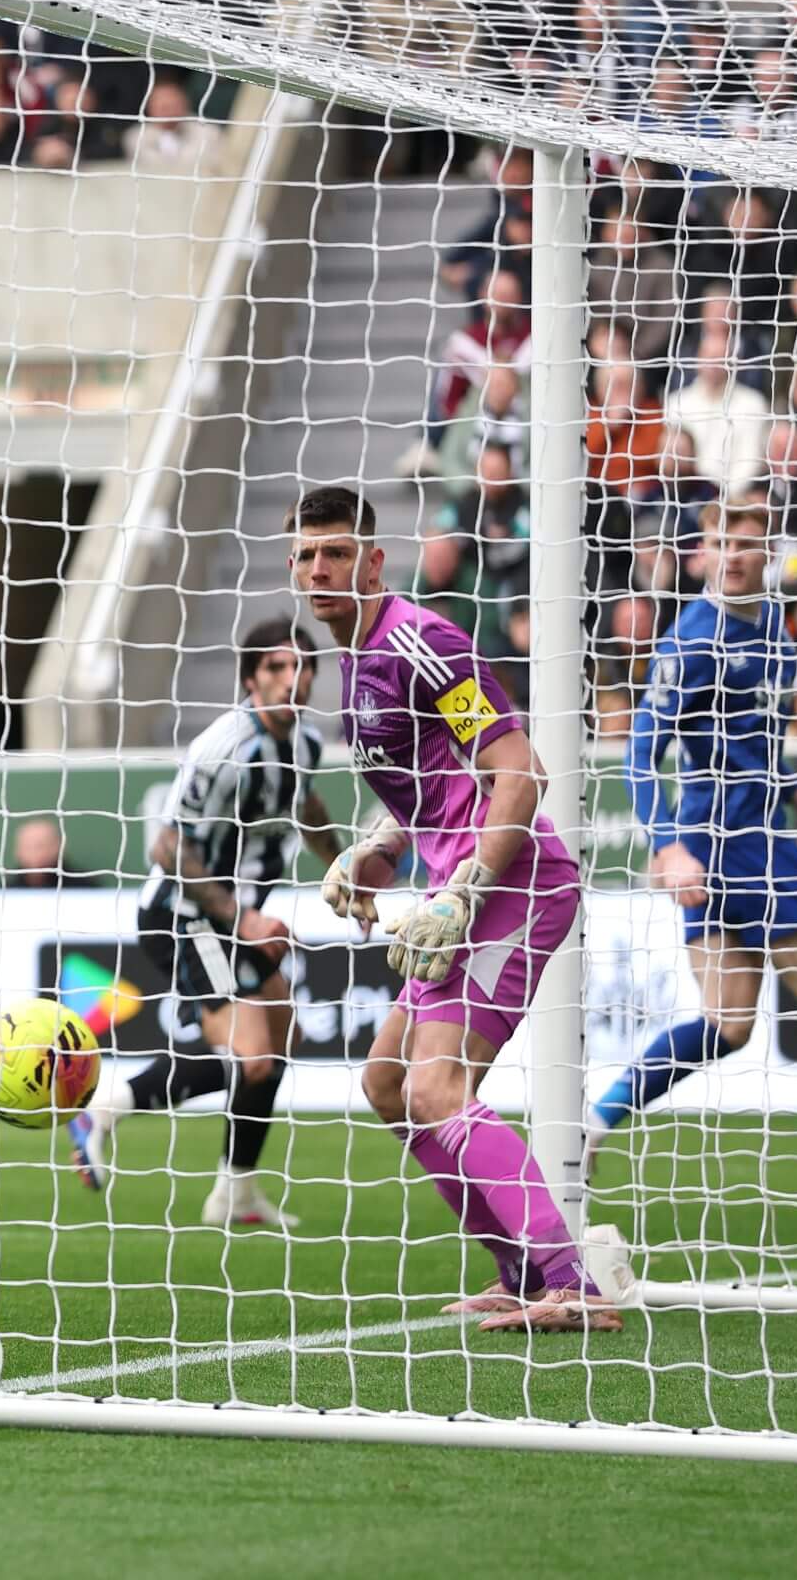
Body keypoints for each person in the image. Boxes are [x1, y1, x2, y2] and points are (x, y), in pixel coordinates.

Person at [292, 483, 615, 1333]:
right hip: (458, 894)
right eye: (303, 555)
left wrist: (467, 886)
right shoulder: (358, 661)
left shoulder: (419, 641)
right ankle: (518, 1270)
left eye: (334, 553)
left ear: (372, 560)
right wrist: (376, 851)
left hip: (511, 887)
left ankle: (569, 1280)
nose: (317, 569)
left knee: (435, 1086)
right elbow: (434, 788)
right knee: (389, 1083)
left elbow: (520, 770)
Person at [593, 496, 797, 1235]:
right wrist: (663, 844)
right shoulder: (691, 640)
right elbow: (642, 753)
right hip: (725, 842)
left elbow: (756, 752)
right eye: (719, 542)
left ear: (767, 551)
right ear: (703, 551)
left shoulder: (775, 624)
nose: (732, 554)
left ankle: (595, 1120)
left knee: (729, 1023)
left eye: (746, 542)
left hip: (759, 831)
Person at [73, 618, 345, 1231]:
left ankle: (235, 1195)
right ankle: (103, 1111)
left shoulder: (303, 742)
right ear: (251, 679)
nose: (291, 678)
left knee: (282, 1043)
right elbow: (167, 848)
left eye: (303, 667)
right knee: (253, 1058)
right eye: (276, 667)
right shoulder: (225, 745)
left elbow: (306, 807)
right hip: (184, 914)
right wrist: (241, 915)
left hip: (229, 919)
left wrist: (343, 870)